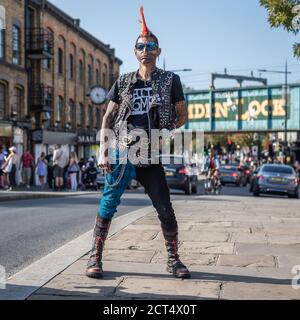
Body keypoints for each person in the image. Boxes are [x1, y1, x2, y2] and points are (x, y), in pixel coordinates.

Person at [86, 6, 190, 279]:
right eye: (140, 45)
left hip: (150, 152)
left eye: (151, 45)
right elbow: (107, 118)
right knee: (108, 204)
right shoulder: (123, 81)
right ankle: (94, 258)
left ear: (158, 50)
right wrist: (103, 151)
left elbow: (183, 115)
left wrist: (166, 130)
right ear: (135, 52)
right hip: (121, 150)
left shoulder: (170, 80)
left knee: (164, 207)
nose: (145, 49)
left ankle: (173, 260)